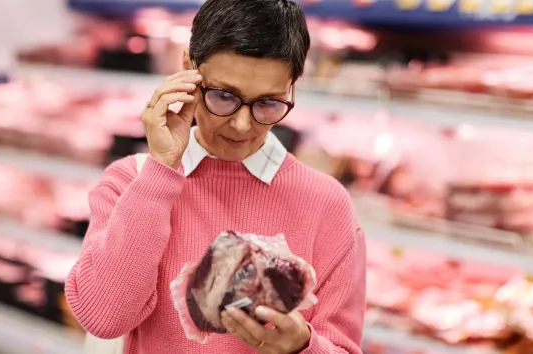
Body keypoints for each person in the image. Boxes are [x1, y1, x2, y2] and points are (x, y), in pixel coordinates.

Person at [64, 0, 367, 353]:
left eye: (268, 103)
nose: (242, 125)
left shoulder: (326, 204)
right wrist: (162, 168)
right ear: (188, 69)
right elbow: (103, 318)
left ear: (292, 88)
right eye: (224, 96)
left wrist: (303, 345)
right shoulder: (131, 181)